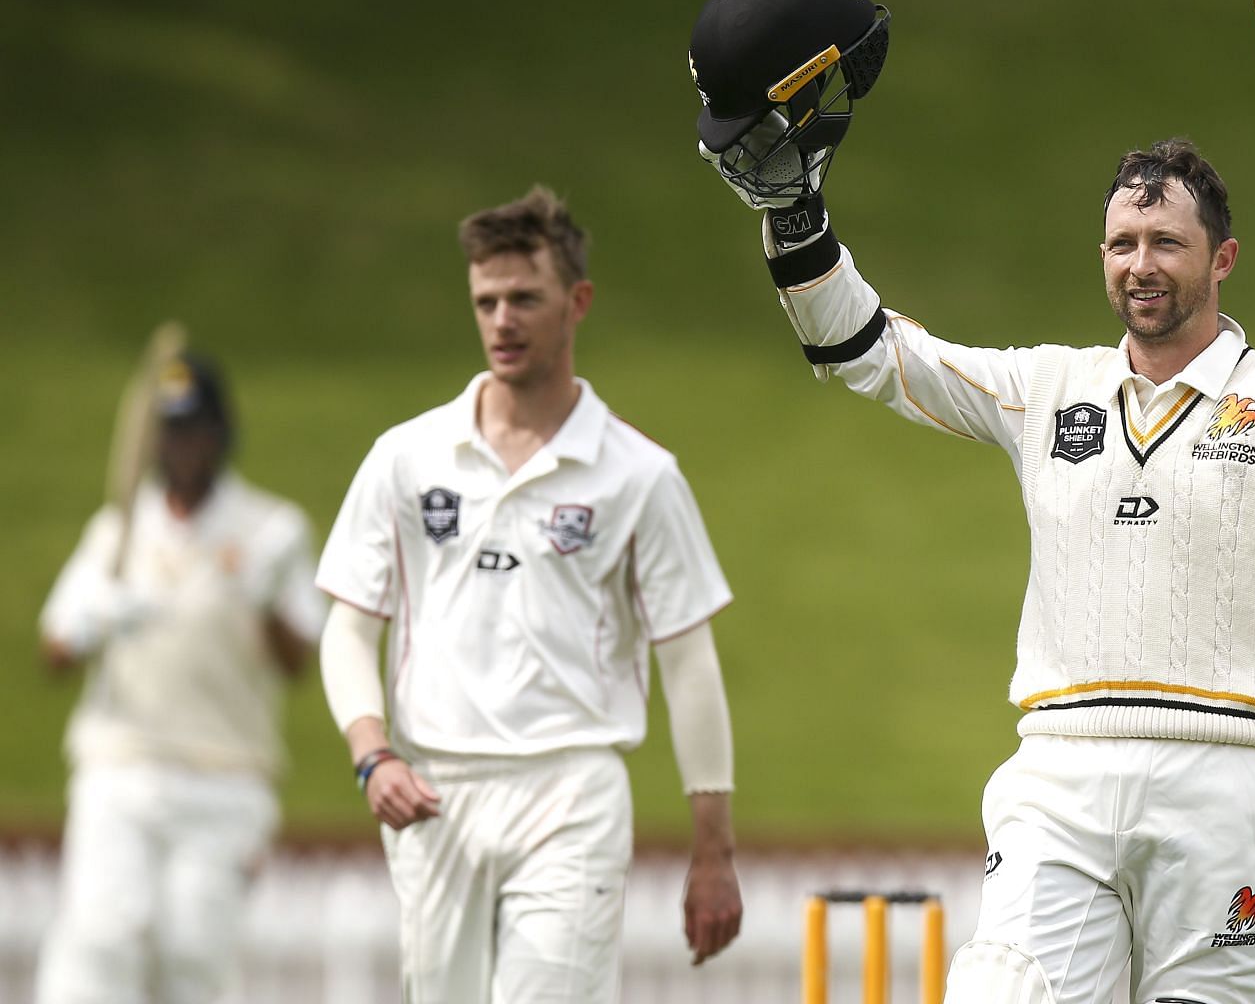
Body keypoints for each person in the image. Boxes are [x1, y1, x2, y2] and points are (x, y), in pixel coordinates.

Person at [688, 0, 1255, 1004]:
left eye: (1166, 242)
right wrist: (797, 220)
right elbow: (867, 352)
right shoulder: (1046, 389)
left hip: (1224, 771)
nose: (1141, 263)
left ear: (1223, 260)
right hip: (1060, 768)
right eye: (1123, 243)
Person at [314, 186, 743, 1002]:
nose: (502, 321)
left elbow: (689, 663)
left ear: (577, 303)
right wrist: (371, 754)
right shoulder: (407, 458)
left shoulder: (638, 475)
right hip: (434, 791)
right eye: (486, 301)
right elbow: (348, 627)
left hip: (570, 791)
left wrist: (713, 849)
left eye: (524, 298)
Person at [36, 350, 325, 1004]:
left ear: (222, 433)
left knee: (195, 954)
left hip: (225, 775)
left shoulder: (271, 531)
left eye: (195, 429)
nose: (183, 445)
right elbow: (55, 652)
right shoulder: (117, 528)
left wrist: (267, 595)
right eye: (171, 430)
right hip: (122, 767)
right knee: (102, 941)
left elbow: (297, 662)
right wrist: (89, 620)